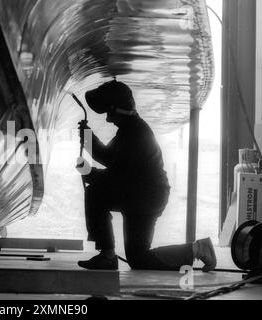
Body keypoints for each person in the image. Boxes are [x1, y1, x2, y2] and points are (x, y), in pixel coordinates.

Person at [77, 79, 217, 271]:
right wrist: (87, 140)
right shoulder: (131, 129)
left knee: (95, 194)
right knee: (139, 258)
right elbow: (114, 164)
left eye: (109, 113)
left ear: (116, 110)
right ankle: (198, 249)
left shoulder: (134, 134)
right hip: (143, 195)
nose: (108, 119)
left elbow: (114, 169)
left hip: (144, 198)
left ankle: (108, 256)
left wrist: (89, 168)